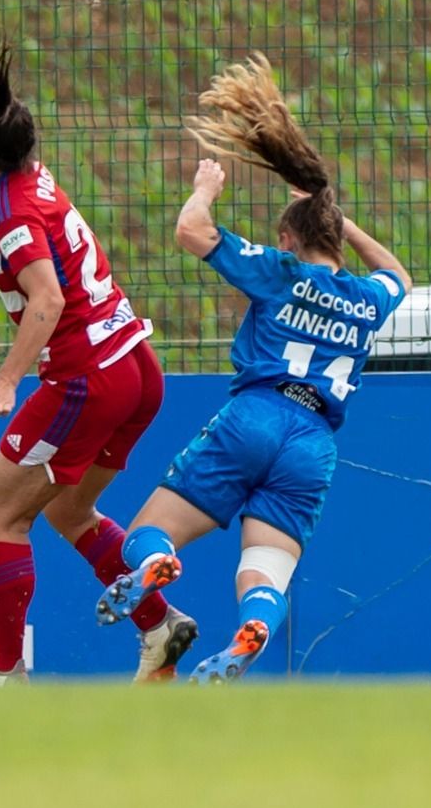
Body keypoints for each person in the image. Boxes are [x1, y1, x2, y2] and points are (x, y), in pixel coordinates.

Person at [96, 56, 410, 682]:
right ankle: (257, 625)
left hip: (256, 415)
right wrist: (338, 219)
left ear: (288, 241)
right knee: (264, 567)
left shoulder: (279, 271)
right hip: (314, 444)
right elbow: (401, 274)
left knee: (144, 534)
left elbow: (191, 230)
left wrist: (208, 187)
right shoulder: (368, 298)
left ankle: (158, 566)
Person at [0, 35, 193, 686]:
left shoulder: (5, 208)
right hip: (136, 366)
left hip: (83, 379)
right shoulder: (31, 184)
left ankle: (4, 675)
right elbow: (51, 252)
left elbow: (47, 297)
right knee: (68, 511)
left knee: (0, 515)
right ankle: (158, 623)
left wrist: (8, 380)